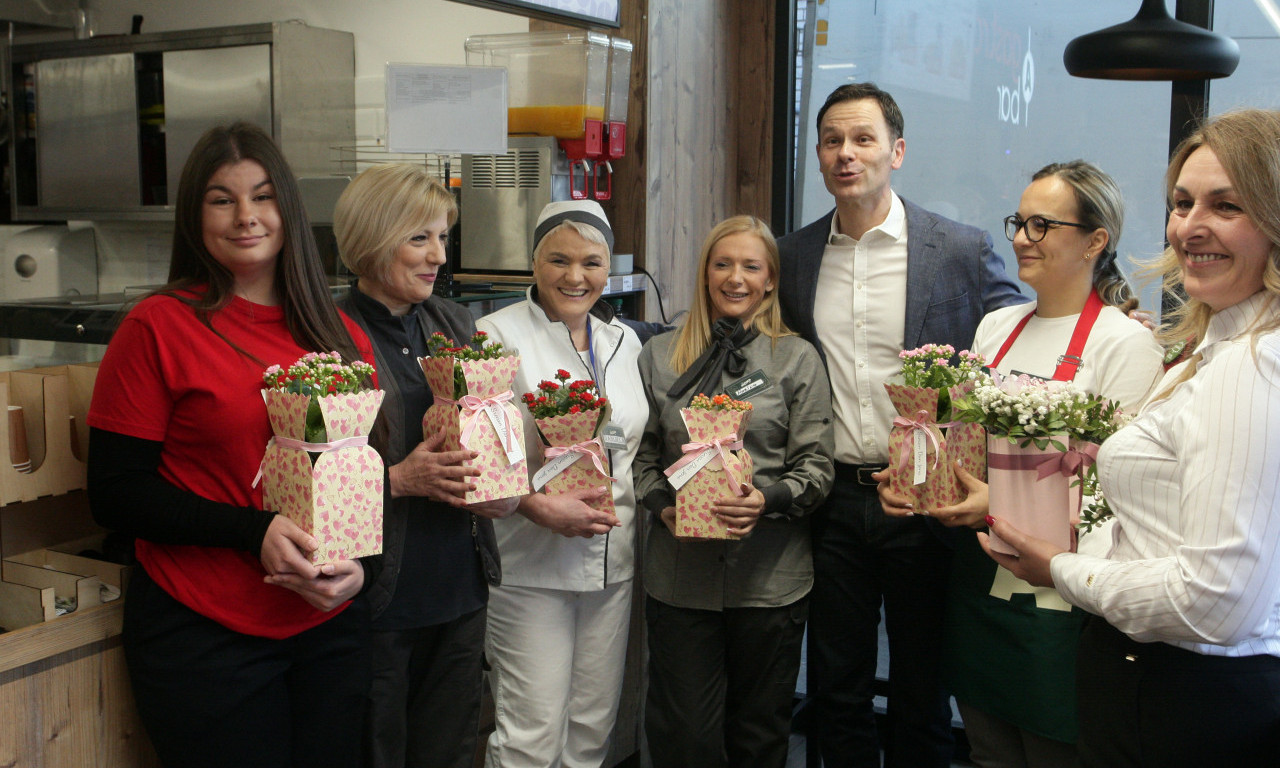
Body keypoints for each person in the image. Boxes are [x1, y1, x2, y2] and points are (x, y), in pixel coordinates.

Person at [983, 108, 1280, 768]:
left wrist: (1062, 569)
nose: (1189, 226)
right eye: (1181, 202)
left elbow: (1218, 604)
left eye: (1226, 205)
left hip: (1182, 691)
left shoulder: (1250, 364)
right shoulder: (1216, 345)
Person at [86, 122, 377, 767]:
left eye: (263, 195)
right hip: (203, 636)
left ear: (288, 212)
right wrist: (254, 531)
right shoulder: (158, 327)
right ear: (196, 216)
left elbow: (362, 483)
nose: (246, 216)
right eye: (222, 199)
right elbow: (115, 494)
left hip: (329, 630)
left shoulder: (340, 335)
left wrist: (361, 572)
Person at [877, 161, 1164, 767]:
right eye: (1019, 222)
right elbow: (971, 450)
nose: (1021, 238)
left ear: (1095, 240)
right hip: (979, 584)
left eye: (1042, 224)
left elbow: (1124, 494)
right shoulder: (997, 326)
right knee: (987, 750)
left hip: (1063, 603)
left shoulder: (1124, 343)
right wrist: (917, 476)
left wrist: (1000, 504)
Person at [776, 81, 1027, 768]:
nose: (846, 154)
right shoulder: (793, 258)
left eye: (862, 139)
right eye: (832, 141)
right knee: (837, 687)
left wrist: (1116, 314)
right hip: (833, 499)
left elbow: (1020, 340)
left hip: (931, 500)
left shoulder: (959, 250)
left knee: (925, 687)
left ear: (897, 150)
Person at [332, 163, 516, 768]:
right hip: (377, 595)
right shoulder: (328, 334)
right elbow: (301, 483)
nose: (438, 255)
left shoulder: (455, 323)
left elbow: (488, 433)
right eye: (420, 238)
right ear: (372, 237)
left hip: (460, 585)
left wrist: (505, 483)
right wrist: (397, 479)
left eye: (442, 237)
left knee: (451, 753)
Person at [633, 215, 835, 768]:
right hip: (680, 579)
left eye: (751, 266)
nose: (736, 278)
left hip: (771, 580)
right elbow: (641, 458)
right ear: (705, 274)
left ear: (771, 279)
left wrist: (765, 500)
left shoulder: (797, 359)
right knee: (684, 736)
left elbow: (817, 467)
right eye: (723, 264)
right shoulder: (660, 356)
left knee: (760, 735)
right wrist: (664, 508)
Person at [475, 200, 647, 768]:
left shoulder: (625, 342)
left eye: (592, 262)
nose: (576, 277)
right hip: (531, 564)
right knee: (531, 732)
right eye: (559, 259)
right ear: (533, 263)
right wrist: (535, 507)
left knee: (591, 729)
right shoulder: (492, 337)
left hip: (612, 564)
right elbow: (476, 460)